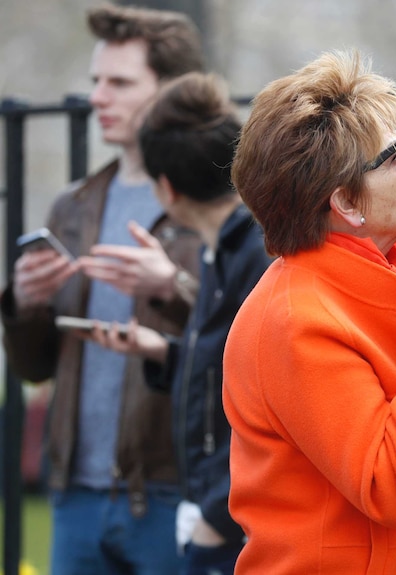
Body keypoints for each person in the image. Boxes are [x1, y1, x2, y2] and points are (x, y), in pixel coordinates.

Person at [222, 49, 396, 574]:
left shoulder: (381, 271)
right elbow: (389, 486)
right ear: (346, 204)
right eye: (395, 153)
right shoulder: (295, 319)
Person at [1, 5, 205, 574]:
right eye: (96, 81)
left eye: (119, 82)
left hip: (171, 490)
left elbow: (241, 341)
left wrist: (173, 286)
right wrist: (24, 303)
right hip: (75, 494)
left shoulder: (211, 208)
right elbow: (35, 368)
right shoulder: (73, 206)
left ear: (170, 91)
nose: (97, 97)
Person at [91, 71, 270, 574]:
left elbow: (269, 400)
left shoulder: (252, 253)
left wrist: (216, 513)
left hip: (232, 521)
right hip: (217, 511)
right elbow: (227, 370)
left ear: (166, 190)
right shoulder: (225, 252)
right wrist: (165, 353)